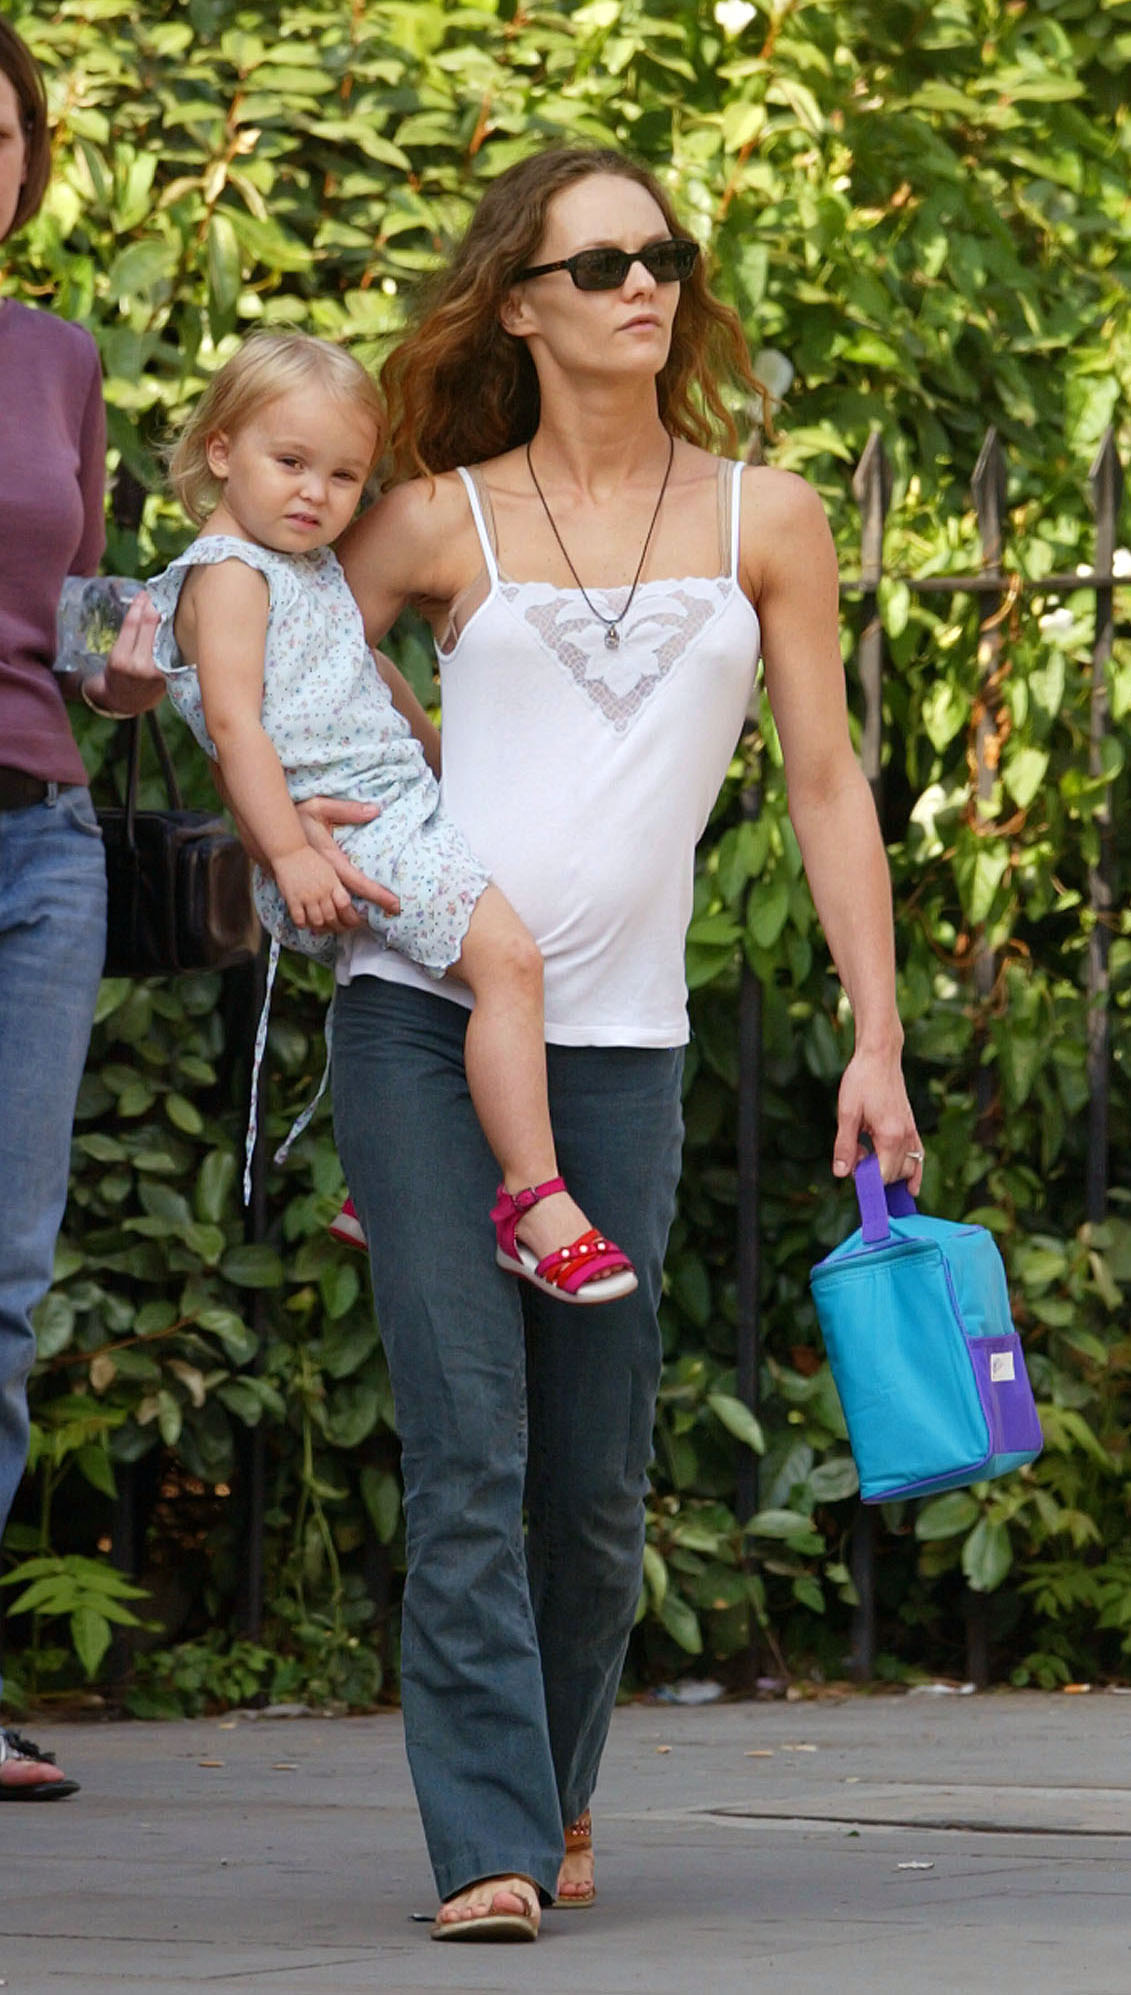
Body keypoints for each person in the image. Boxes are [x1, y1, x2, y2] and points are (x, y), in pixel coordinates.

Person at [289, 144, 925, 1940]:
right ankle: (488, 1843)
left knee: (590, 1484)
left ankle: (556, 1788)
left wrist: (877, 1040)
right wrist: (314, 818)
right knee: (470, 1447)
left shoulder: (769, 519)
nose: (642, 284)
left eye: (662, 255)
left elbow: (822, 782)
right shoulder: (434, 518)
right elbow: (260, 666)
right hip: (420, 1031)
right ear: (519, 304)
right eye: (598, 264)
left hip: (623, 1055)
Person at [147, 331, 635, 1300]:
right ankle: (535, 1205)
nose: (314, 494)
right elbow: (238, 730)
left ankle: (381, 1189)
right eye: (289, 463)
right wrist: (289, 854)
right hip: (351, 833)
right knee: (511, 965)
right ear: (220, 451)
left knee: (447, 982)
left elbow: (363, 672)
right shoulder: (230, 574)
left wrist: (442, 759)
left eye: (343, 476)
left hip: (394, 807)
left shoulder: (301, 567)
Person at [0, 20, 163, 1798]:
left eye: (0, 133)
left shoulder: (59, 358)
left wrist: (131, 672)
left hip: (40, 843)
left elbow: (77, 625)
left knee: (4, 1285)